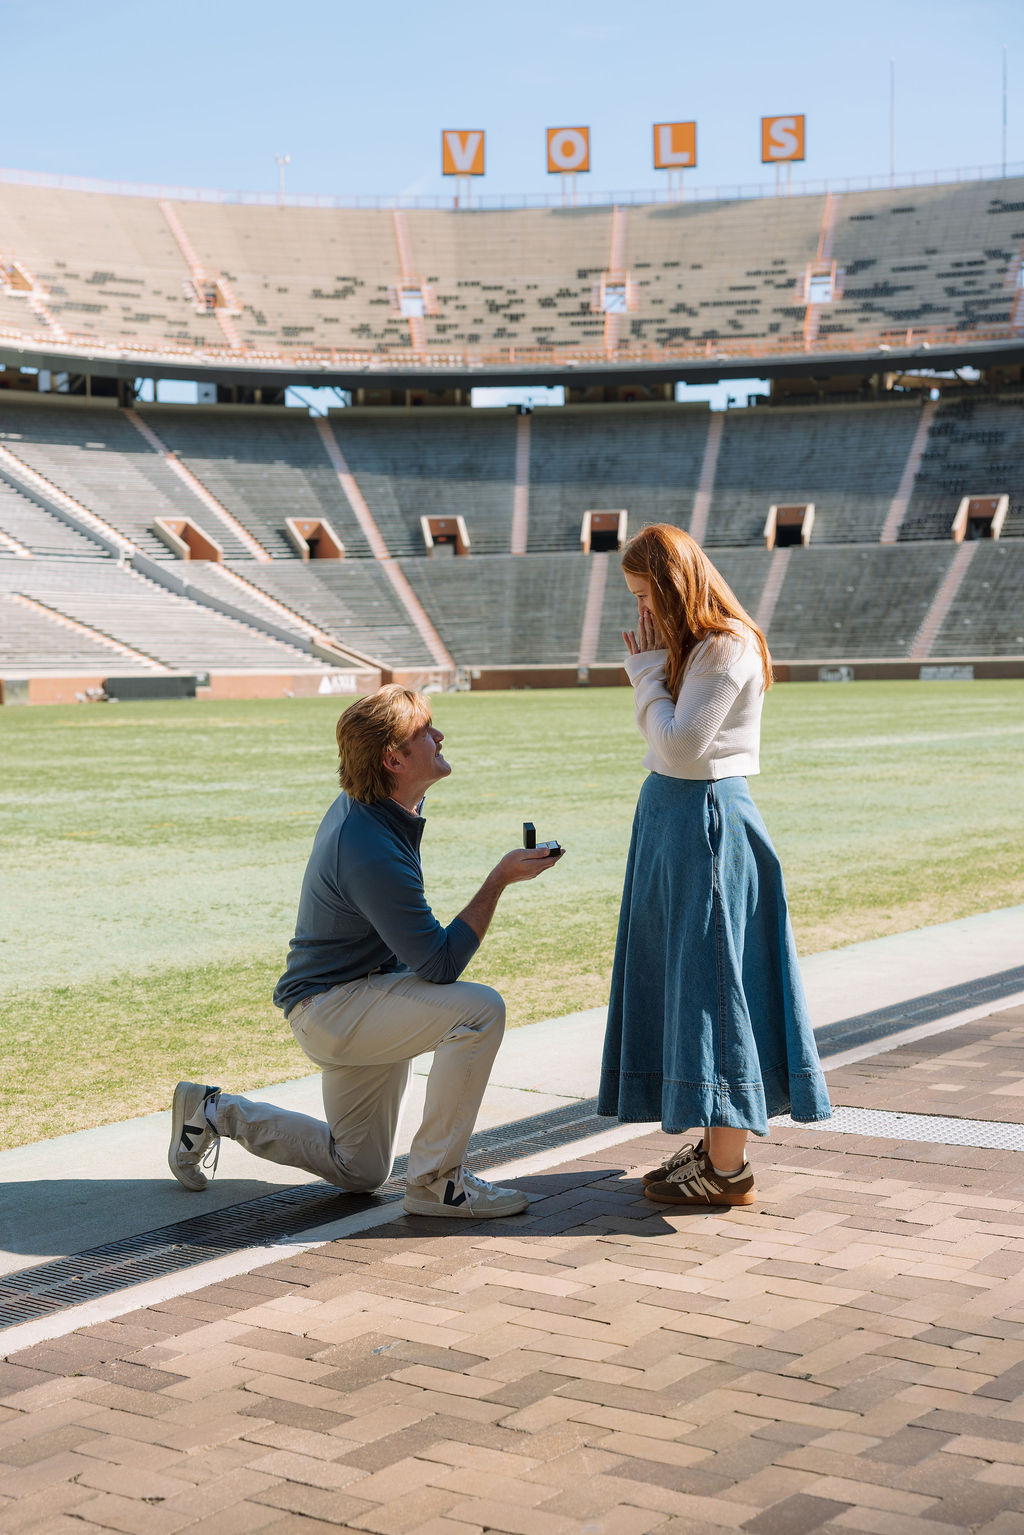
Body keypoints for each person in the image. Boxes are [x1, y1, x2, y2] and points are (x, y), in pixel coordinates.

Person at [169, 684, 561, 1219]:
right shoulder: (368, 844)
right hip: (335, 1008)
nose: (439, 735)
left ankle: (213, 1112)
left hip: (355, 996)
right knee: (479, 1010)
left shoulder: (379, 806)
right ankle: (436, 1183)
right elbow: (440, 965)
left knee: (360, 1170)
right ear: (393, 758)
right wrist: (499, 880)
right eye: (425, 731)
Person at [597, 524, 830, 1207]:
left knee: (717, 982)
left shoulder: (726, 647)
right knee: (693, 977)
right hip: (678, 824)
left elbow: (680, 746)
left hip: (704, 822)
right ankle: (715, 1146)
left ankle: (727, 1169)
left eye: (646, 595)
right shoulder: (699, 647)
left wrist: (643, 674)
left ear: (673, 589)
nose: (641, 612)